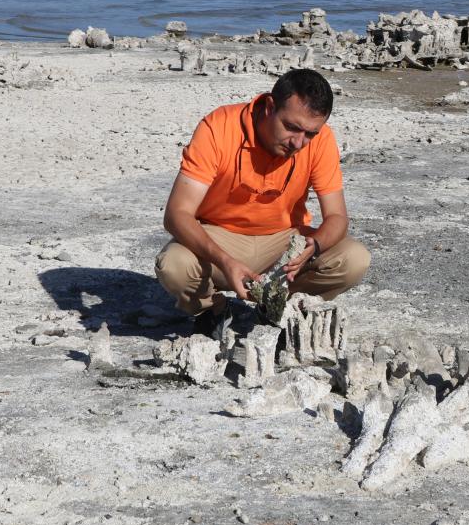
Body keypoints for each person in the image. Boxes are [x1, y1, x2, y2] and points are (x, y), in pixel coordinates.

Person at [155, 68, 370, 330]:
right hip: (220, 237)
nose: (299, 143)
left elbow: (337, 217)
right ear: (269, 106)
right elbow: (177, 213)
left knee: (355, 258)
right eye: (291, 127)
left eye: (310, 133)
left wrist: (314, 246)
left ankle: (277, 306)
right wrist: (225, 261)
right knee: (174, 265)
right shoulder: (219, 127)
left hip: (283, 242)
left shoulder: (321, 140)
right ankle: (212, 310)